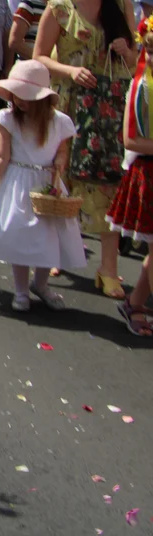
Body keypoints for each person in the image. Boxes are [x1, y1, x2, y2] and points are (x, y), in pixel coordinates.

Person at [33, 0, 139, 299]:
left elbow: (138, 62)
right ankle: (55, 251)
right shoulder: (59, 7)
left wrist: (128, 51)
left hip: (110, 109)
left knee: (110, 183)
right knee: (61, 179)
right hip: (70, 106)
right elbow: (40, 56)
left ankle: (108, 269)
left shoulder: (121, 4)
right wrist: (68, 72)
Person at [0, 60, 82, 311]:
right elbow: (1, 156)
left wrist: (60, 163)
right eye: (16, 94)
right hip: (18, 181)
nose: (19, 100)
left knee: (47, 237)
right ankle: (21, 290)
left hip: (47, 182)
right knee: (20, 236)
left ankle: (40, 285)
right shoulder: (8, 118)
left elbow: (62, 151)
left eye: (26, 96)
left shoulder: (58, 121)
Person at [111, 39, 153, 335]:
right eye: (149, 50)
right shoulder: (140, 89)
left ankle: (135, 302)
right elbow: (131, 140)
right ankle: (135, 304)